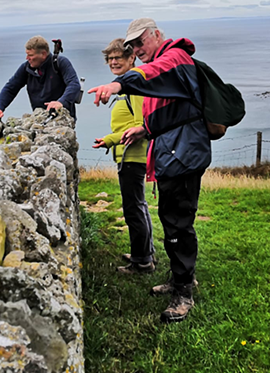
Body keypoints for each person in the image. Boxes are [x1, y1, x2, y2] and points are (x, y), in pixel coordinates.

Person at [88, 18, 211, 323]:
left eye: (141, 42)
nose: (137, 49)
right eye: (133, 45)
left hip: (183, 154)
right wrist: (145, 129)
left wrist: (120, 82)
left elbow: (151, 73)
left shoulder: (174, 58)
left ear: (157, 35)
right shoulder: (168, 63)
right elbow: (176, 110)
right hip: (173, 151)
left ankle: (183, 295)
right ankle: (180, 278)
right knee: (172, 220)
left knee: (179, 222)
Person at [93, 39, 155, 275]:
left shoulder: (135, 86)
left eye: (119, 57)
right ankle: (145, 253)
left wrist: (109, 139)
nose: (114, 62)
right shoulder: (127, 87)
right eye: (110, 58)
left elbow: (141, 124)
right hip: (130, 154)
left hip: (134, 155)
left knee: (133, 208)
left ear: (132, 59)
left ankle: (142, 262)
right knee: (139, 205)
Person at [0, 36, 81, 120]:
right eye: (27, 54)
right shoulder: (26, 68)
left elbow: (74, 84)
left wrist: (61, 102)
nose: (27, 58)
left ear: (43, 54)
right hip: (39, 118)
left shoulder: (60, 63)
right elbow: (11, 88)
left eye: (31, 55)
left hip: (63, 118)